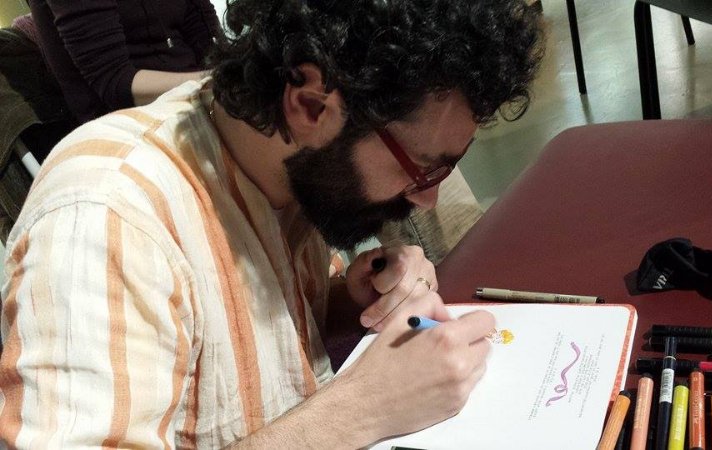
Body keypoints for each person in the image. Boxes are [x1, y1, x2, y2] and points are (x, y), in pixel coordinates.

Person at [0, 0, 543, 447]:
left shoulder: (281, 163)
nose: (428, 200)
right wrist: (364, 407)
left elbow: (232, 347)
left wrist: (346, 301)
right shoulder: (105, 221)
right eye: (424, 168)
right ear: (310, 104)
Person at [28, 0, 222, 123]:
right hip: (127, 122)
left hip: (193, 99)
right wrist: (219, 80)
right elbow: (115, 83)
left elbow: (206, 35)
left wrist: (227, 74)